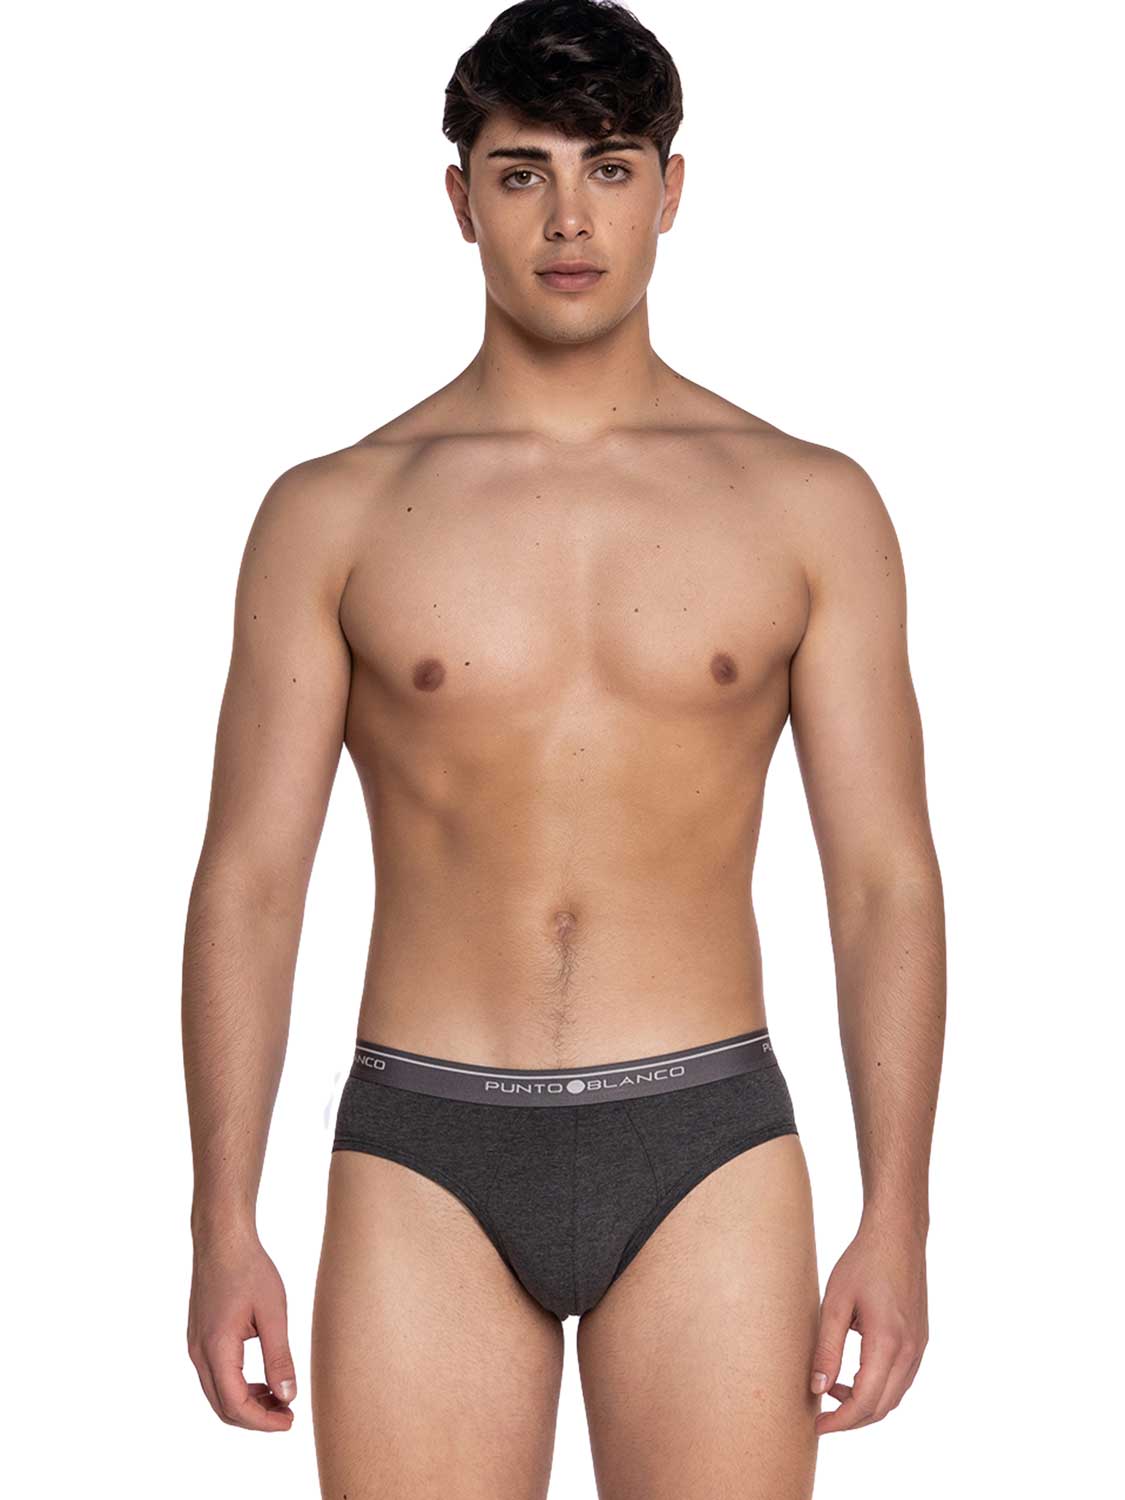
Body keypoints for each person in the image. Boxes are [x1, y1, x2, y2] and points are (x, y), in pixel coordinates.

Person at [182, 1, 945, 1494]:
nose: (569, 218)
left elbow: (883, 882)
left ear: (672, 190)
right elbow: (250, 884)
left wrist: (898, 1217)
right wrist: (221, 1221)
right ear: (459, 198)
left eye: (609, 167)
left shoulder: (808, 504)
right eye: (521, 171)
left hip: (709, 1144)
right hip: (422, 1146)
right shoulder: (331, 512)